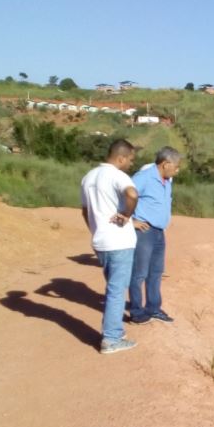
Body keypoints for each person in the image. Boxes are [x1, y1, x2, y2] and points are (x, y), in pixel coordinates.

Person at [81, 139, 139, 354]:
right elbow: (133, 194)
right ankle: (112, 338)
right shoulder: (117, 175)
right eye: (130, 159)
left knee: (113, 287)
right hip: (119, 241)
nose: (131, 163)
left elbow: (84, 211)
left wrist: (96, 230)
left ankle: (114, 331)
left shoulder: (88, 177)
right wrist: (126, 215)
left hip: (101, 241)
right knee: (116, 290)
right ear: (121, 158)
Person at [128, 146, 181, 325]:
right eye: (176, 166)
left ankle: (153, 308)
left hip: (159, 232)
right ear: (165, 164)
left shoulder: (167, 180)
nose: (177, 170)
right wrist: (130, 221)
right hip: (144, 231)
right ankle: (136, 311)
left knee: (156, 272)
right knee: (139, 273)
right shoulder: (143, 178)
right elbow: (124, 196)